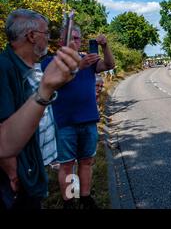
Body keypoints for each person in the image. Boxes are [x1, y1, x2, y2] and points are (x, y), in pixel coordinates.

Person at [0, 9, 80, 210]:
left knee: (80, 164)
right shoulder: (6, 69)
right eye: (47, 34)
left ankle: (78, 198)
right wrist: (12, 172)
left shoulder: (33, 67)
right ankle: (70, 202)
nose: (49, 40)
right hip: (20, 173)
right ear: (32, 36)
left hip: (37, 159)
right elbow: (4, 133)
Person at [41, 25, 115, 209]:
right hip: (65, 121)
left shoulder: (87, 60)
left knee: (87, 161)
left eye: (77, 38)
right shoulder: (50, 62)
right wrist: (78, 66)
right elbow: (56, 80)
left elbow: (109, 65)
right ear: (61, 42)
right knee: (67, 165)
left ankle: (85, 197)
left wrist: (105, 47)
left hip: (89, 119)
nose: (75, 41)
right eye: (71, 38)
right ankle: (69, 201)